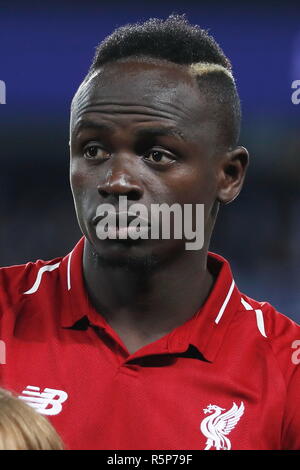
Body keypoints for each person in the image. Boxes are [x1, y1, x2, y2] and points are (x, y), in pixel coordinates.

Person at [0, 14, 299, 451]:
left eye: (157, 154)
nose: (117, 181)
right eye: (94, 149)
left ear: (229, 175)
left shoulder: (287, 373)